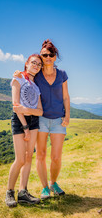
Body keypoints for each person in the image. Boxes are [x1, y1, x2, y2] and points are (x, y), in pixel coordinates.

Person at [13, 39, 70, 199]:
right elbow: (26, 77)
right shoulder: (37, 75)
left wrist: (67, 115)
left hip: (59, 119)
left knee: (56, 157)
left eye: (51, 54)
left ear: (55, 56)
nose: (48, 57)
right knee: (41, 155)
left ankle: (53, 183)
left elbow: (66, 96)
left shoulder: (62, 74)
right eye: (44, 55)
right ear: (41, 56)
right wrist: (18, 74)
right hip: (41, 120)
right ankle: (45, 188)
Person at [5, 54, 43, 207]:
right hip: (20, 121)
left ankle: (23, 193)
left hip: (34, 122)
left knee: (28, 158)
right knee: (20, 159)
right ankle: (9, 192)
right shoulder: (18, 78)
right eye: (33, 62)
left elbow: (40, 111)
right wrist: (25, 127)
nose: (36, 66)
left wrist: (28, 110)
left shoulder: (36, 86)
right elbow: (16, 106)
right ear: (26, 64)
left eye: (39, 64)